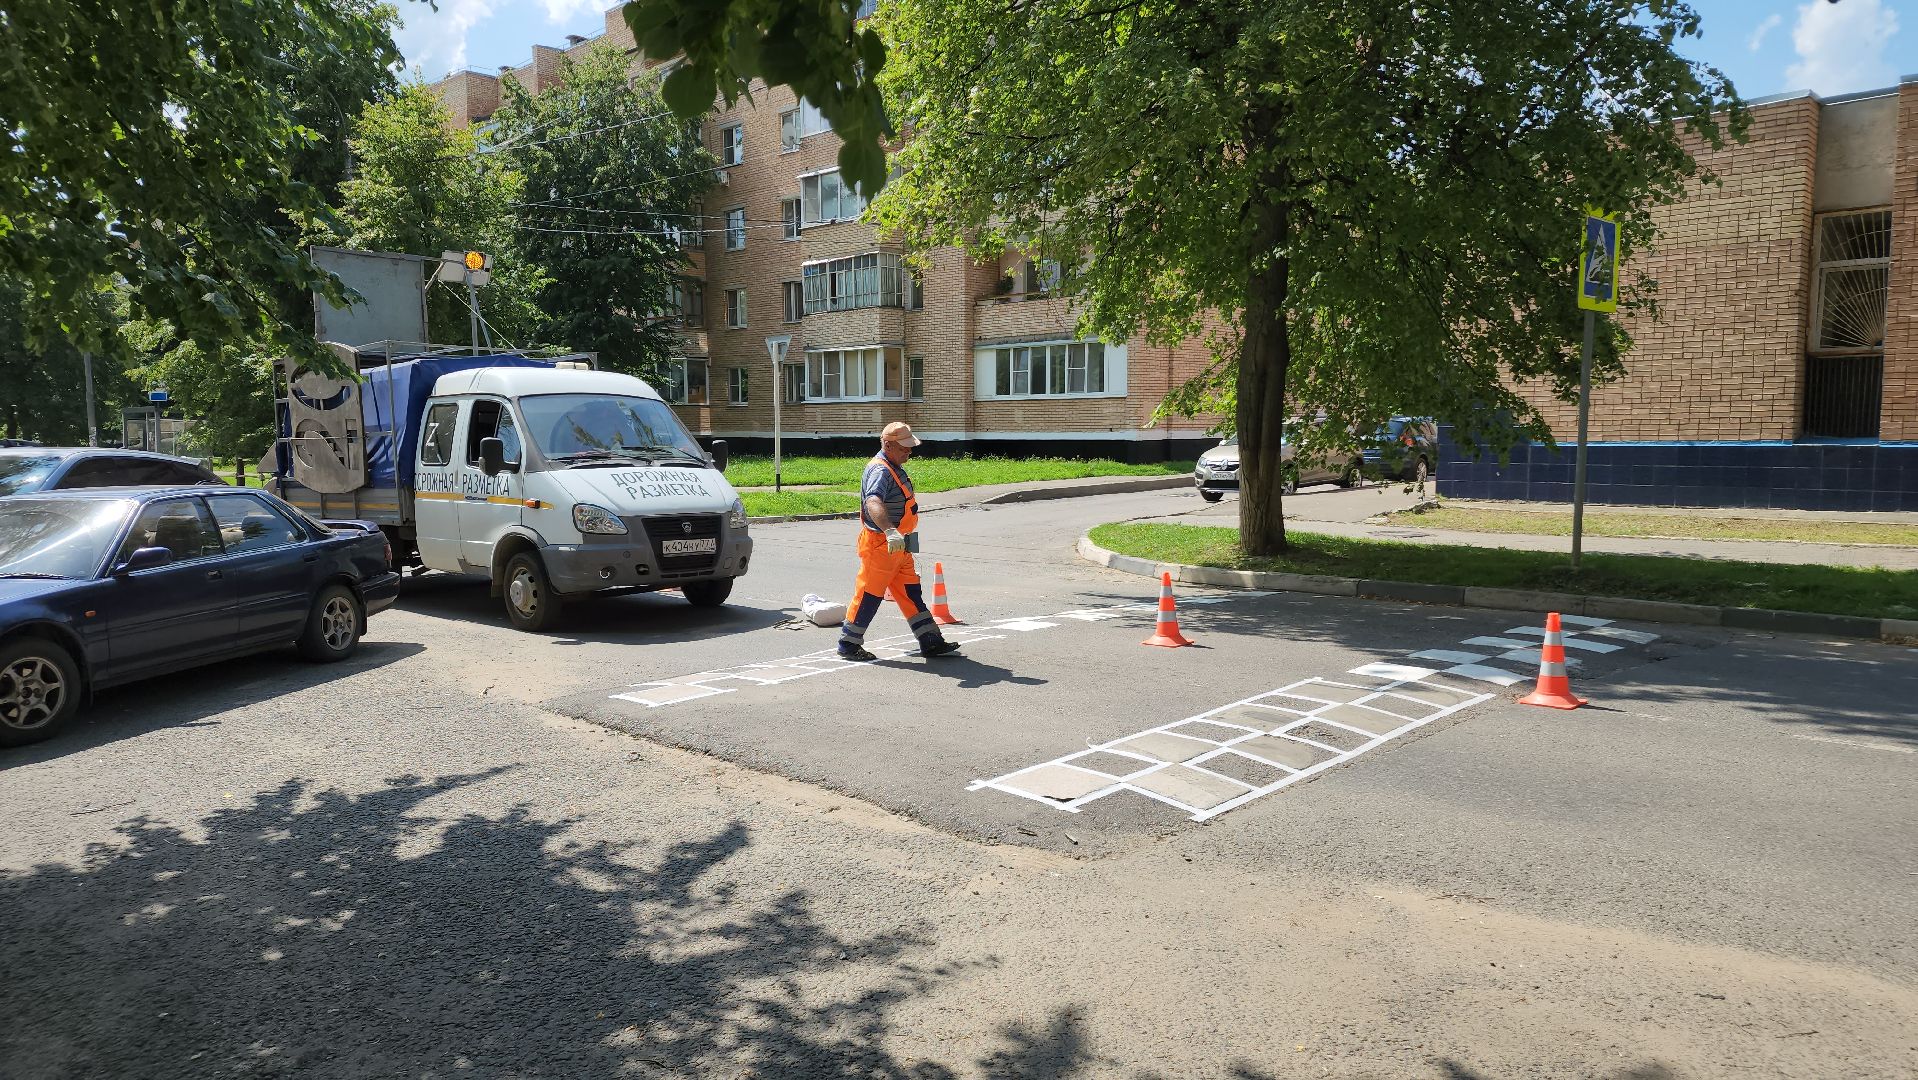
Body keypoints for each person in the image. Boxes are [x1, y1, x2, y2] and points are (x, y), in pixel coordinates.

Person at [838, 423, 962, 662]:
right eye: (904, 447)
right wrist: (890, 531)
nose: (909, 451)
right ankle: (848, 644)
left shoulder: (893, 466)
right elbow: (873, 502)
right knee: (869, 595)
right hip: (883, 544)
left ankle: (930, 641)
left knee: (910, 592)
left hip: (900, 544)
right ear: (888, 445)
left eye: (910, 447)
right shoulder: (880, 470)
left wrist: (902, 539)